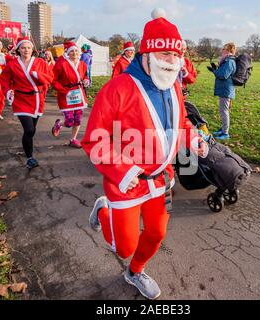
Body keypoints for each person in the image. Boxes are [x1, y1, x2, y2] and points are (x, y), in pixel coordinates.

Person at [81, 9, 208, 300]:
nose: (172, 61)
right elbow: (94, 140)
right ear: (147, 54)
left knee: (156, 235)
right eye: (165, 54)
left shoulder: (174, 85)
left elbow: (181, 123)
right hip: (125, 182)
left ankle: (134, 272)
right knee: (123, 247)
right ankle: (104, 210)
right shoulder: (117, 89)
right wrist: (123, 170)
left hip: (162, 179)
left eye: (176, 55)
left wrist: (194, 139)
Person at [0, 37, 54, 169]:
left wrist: (38, 76)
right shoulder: (12, 64)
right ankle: (30, 158)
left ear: (32, 49)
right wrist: (8, 92)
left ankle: (27, 146)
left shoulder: (40, 62)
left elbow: (50, 78)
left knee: (32, 130)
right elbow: (4, 80)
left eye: (28, 47)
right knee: (29, 129)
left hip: (37, 100)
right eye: (23, 47)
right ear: (18, 49)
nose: (26, 50)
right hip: (21, 100)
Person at [51, 41, 90, 148]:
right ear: (67, 52)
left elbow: (85, 77)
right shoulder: (61, 63)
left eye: (76, 51)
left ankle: (73, 139)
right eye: (72, 51)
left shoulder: (82, 64)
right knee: (69, 122)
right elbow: (53, 80)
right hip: (66, 95)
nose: (74, 53)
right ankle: (59, 124)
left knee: (77, 120)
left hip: (79, 94)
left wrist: (86, 81)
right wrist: (63, 90)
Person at [209, 43, 237, 140]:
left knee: (224, 111)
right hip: (225, 89)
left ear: (229, 50)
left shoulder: (229, 61)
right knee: (223, 111)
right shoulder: (226, 60)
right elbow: (223, 73)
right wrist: (216, 69)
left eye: (224, 49)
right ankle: (223, 129)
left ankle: (225, 133)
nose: (222, 50)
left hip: (226, 89)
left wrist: (214, 71)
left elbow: (223, 75)